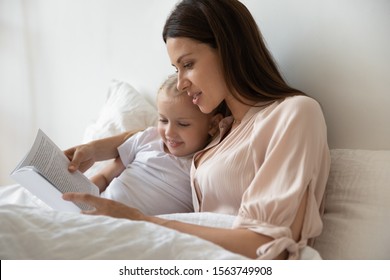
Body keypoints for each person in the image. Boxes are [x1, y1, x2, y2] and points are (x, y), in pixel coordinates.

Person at [63, 0, 330, 260]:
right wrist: (96, 149)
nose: (180, 84)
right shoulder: (217, 133)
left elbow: (267, 246)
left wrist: (140, 222)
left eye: (188, 64)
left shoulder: (293, 113)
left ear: (229, 50)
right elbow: (154, 135)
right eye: (176, 69)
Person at [72, 74, 223, 215]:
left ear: (213, 125)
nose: (169, 132)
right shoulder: (148, 139)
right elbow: (105, 177)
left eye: (183, 124)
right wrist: (77, 198)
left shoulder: (203, 166)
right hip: (95, 210)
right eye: (163, 120)